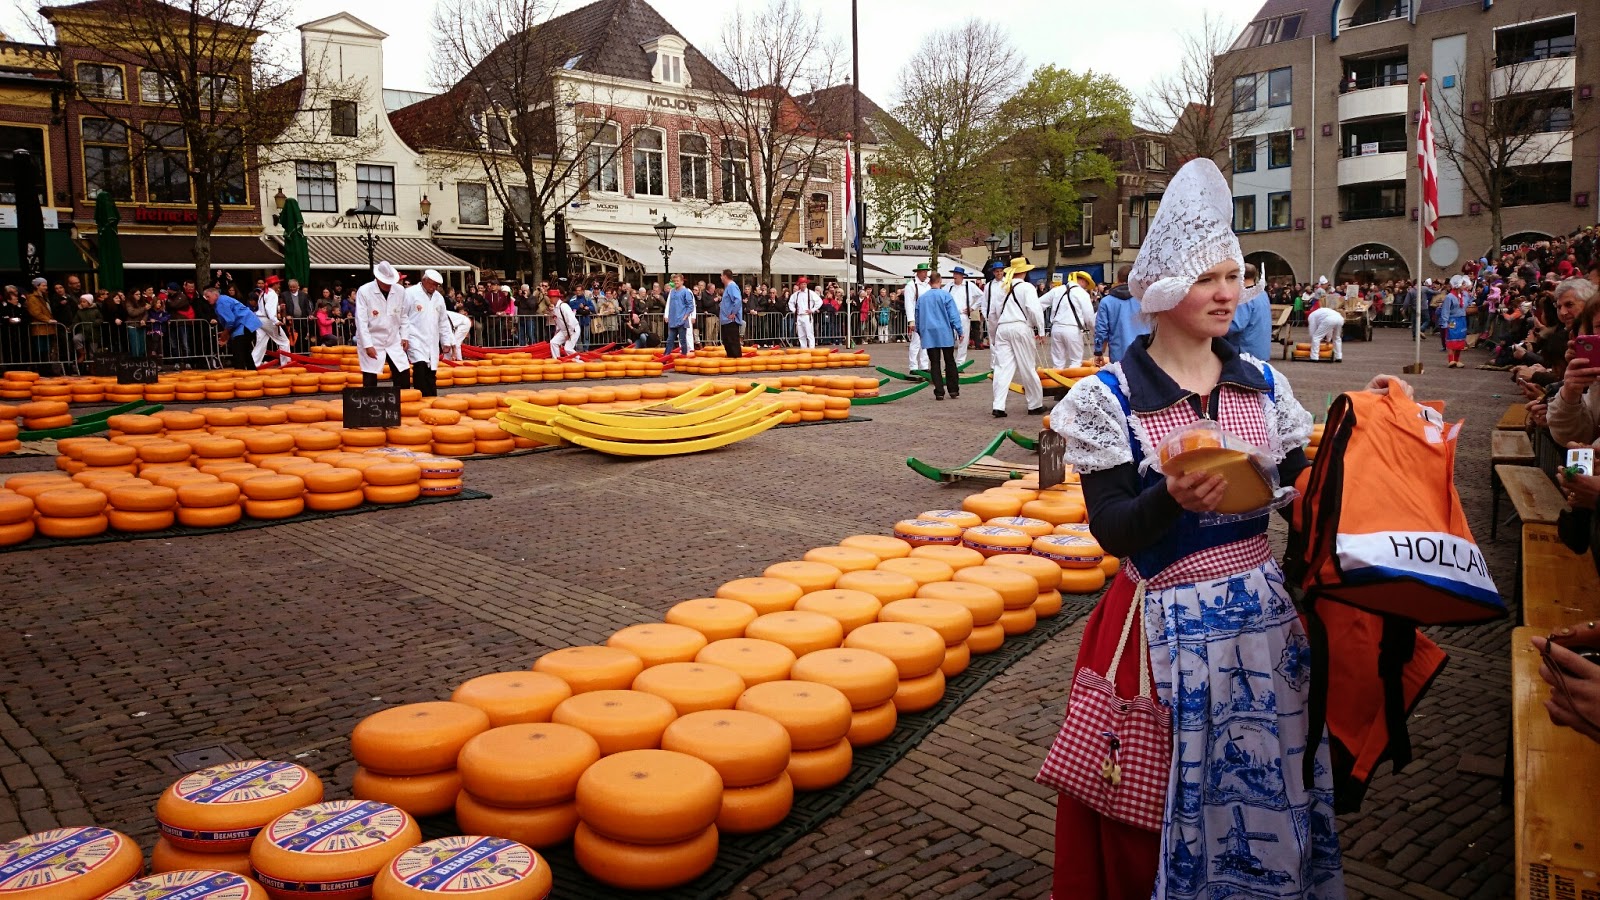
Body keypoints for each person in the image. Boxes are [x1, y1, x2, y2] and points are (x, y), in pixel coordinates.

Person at [1044, 157, 1357, 900]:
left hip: (1263, 626)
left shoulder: (1262, 381)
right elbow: (1115, 531)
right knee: (1148, 803)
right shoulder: (1107, 398)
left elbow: (1298, 491)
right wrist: (1173, 499)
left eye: (1236, 276)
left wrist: (1360, 424)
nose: (1229, 293)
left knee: (1266, 794)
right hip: (1162, 632)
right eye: (1210, 277)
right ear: (1164, 288)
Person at [984, 257, 1046, 418]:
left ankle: (998, 405)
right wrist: (1040, 329)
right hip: (1020, 326)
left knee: (1002, 368)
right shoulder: (1027, 288)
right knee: (1027, 367)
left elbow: (992, 314)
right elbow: (1034, 310)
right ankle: (1035, 404)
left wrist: (993, 335)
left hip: (1002, 328)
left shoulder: (1001, 288)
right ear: (1024, 272)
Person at [353, 261, 412, 390]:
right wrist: (368, 345)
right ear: (378, 279)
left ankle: (402, 402)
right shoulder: (364, 291)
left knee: (403, 371)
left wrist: (405, 336)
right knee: (370, 375)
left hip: (393, 338)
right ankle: (370, 405)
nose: (389, 285)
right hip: (373, 337)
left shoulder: (400, 291)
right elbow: (361, 321)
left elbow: (403, 315)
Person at [917, 271, 964, 400]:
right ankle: (953, 389)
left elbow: (918, 317)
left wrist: (921, 332)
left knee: (935, 363)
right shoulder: (945, 295)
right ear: (940, 281)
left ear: (930, 282)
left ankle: (939, 391)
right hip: (944, 332)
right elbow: (953, 315)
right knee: (949, 361)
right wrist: (959, 330)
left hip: (929, 333)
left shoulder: (922, 298)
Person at [405, 269, 452, 397]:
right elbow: (402, 316)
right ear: (424, 280)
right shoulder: (410, 293)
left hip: (432, 339)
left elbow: (443, 321)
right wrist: (403, 336)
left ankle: (431, 397)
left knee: (431, 371)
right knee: (420, 366)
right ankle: (420, 396)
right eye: (431, 284)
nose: (433, 287)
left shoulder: (439, 298)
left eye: (436, 285)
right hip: (414, 336)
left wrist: (446, 341)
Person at [1092, 265, 1148, 364]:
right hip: (1144, 352)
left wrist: (1099, 351)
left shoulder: (1106, 302)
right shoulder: (1145, 300)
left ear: (1117, 279)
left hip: (1119, 354)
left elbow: (1101, 329)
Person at [1225, 262, 1273, 362]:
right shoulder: (1262, 293)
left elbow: (1236, 325)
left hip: (1246, 351)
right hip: (1261, 350)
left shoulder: (1246, 297)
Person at [1047, 272, 1095, 369]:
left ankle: (1057, 382)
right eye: (1086, 284)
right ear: (1082, 280)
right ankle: (1072, 383)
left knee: (1058, 362)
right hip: (1073, 329)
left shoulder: (1057, 290)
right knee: (1076, 361)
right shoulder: (1082, 293)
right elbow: (1089, 317)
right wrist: (1095, 331)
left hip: (1056, 328)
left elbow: (1039, 304)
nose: (1086, 287)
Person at [210, 286, 260, 372]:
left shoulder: (221, 302)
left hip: (244, 325)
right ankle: (252, 372)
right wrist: (227, 334)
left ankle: (240, 376)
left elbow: (230, 321)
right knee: (245, 352)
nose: (206, 299)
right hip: (247, 324)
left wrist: (225, 334)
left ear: (215, 295)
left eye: (208, 296)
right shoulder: (223, 299)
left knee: (239, 353)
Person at [948, 267, 982, 366]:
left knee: (963, 339)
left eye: (957, 274)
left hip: (963, 315)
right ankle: (950, 363)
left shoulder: (969, 285)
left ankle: (960, 363)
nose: (955, 276)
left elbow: (982, 296)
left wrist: (972, 307)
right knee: (950, 340)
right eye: (954, 274)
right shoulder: (949, 286)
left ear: (962, 276)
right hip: (950, 315)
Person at [253, 275, 290, 367]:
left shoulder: (263, 293)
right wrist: (275, 320)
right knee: (284, 341)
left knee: (261, 341)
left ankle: (254, 363)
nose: (279, 286)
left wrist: (277, 307)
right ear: (275, 284)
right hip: (267, 320)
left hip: (259, 319)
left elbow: (264, 307)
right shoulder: (272, 294)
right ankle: (286, 363)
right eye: (278, 284)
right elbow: (269, 309)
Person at [1306, 281, 1345, 362]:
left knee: (1316, 337)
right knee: (1337, 338)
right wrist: (1328, 339)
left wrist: (1313, 339)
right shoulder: (1320, 312)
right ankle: (1339, 357)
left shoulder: (1312, 316)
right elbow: (1329, 328)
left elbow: (1312, 332)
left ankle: (1314, 357)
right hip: (1339, 318)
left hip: (1330, 319)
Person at [904, 263, 932, 372]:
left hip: (928, 317)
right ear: (918, 272)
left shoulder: (928, 285)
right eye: (924, 272)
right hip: (917, 317)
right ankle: (913, 366)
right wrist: (911, 320)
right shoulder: (911, 285)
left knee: (926, 342)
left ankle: (924, 366)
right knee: (916, 342)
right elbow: (909, 304)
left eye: (926, 271)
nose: (925, 274)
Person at [1441, 274, 1472, 368]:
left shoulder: (1464, 295)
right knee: (1451, 340)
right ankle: (1451, 360)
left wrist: (1471, 297)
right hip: (1452, 320)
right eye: (1463, 284)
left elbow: (1467, 304)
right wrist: (1444, 322)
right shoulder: (1449, 297)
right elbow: (1445, 310)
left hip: (1462, 319)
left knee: (1460, 340)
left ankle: (1457, 360)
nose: (1465, 286)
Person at [665, 274, 695, 356]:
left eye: (677, 281)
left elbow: (690, 305)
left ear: (682, 281)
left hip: (681, 320)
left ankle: (684, 354)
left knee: (682, 339)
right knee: (670, 339)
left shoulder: (686, 291)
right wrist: (667, 315)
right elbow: (669, 304)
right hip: (673, 319)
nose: (676, 283)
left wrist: (685, 316)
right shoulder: (672, 291)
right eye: (674, 281)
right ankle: (666, 355)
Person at [788, 276, 821, 349]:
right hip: (799, 316)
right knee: (801, 334)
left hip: (807, 316)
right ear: (799, 285)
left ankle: (812, 348)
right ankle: (803, 348)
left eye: (805, 284)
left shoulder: (811, 293)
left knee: (809, 333)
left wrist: (812, 310)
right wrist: (794, 310)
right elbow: (790, 303)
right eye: (802, 284)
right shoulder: (796, 294)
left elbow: (819, 302)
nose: (803, 285)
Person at [720, 269, 744, 359]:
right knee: (727, 341)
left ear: (725, 276)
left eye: (721, 275)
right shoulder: (728, 287)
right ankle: (730, 357)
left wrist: (733, 312)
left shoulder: (732, 286)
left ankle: (736, 358)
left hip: (731, 320)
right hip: (726, 320)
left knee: (732, 341)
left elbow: (737, 300)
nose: (720, 278)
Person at [549, 289, 579, 358]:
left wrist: (569, 333)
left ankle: (579, 360)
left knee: (568, 348)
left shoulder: (564, 306)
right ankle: (557, 361)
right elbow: (558, 321)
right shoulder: (556, 308)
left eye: (551, 297)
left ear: (556, 298)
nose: (550, 299)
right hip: (564, 330)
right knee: (553, 342)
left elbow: (571, 321)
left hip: (573, 329)